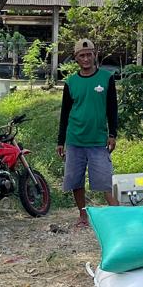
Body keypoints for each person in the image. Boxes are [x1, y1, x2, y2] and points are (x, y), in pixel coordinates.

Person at [57, 38, 119, 226]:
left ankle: (117, 214)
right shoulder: (71, 82)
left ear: (95, 55)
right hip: (75, 139)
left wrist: (113, 134)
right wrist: (61, 141)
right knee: (76, 181)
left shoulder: (106, 78)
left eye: (89, 54)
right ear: (76, 58)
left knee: (104, 180)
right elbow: (65, 113)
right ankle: (83, 216)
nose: (86, 59)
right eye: (81, 55)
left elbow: (112, 108)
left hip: (98, 140)